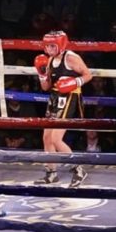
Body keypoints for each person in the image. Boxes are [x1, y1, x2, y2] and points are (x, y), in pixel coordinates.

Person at [33, 30, 93, 188]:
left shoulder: (71, 58)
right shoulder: (50, 59)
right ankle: (51, 174)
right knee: (46, 137)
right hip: (54, 97)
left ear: (60, 44)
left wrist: (74, 82)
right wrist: (41, 74)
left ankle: (78, 170)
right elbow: (45, 87)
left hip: (69, 98)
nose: (49, 49)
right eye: (47, 46)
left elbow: (88, 75)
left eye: (52, 46)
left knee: (56, 139)